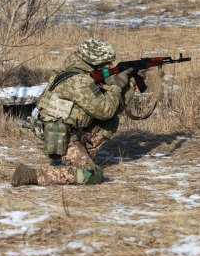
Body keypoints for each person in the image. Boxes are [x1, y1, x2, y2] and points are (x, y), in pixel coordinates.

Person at [11, 38, 137, 186]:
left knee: (111, 121)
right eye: (107, 63)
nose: (111, 66)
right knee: (92, 175)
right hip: (60, 138)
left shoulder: (76, 75)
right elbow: (105, 110)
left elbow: (114, 109)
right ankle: (30, 175)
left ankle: (80, 157)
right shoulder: (79, 81)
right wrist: (116, 86)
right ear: (93, 62)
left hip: (66, 132)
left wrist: (131, 85)